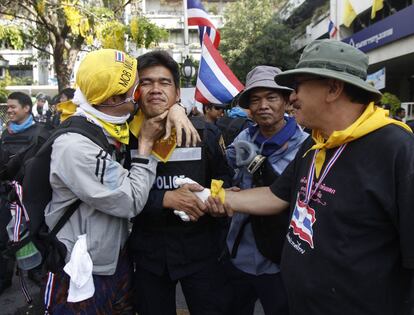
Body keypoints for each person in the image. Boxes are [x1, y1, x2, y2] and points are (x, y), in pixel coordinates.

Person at [203, 39, 414, 315]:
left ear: (333, 88)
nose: (292, 97)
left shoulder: (397, 149)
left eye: (299, 86)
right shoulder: (314, 144)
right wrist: (209, 196)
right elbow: (274, 196)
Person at [43, 48, 197, 314]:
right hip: (81, 271)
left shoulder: (107, 123)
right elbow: (130, 201)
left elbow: (163, 102)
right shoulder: (76, 147)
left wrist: (178, 110)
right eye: (135, 90)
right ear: (114, 98)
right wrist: (146, 145)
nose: (140, 96)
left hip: (114, 261)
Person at [128, 50, 234, 315]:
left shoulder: (205, 131)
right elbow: (114, 194)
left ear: (177, 93)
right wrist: (164, 199)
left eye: (164, 82)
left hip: (201, 252)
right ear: (136, 91)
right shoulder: (124, 136)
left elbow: (224, 178)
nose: (155, 89)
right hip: (148, 255)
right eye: (146, 82)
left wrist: (215, 200)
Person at [223, 65, 307, 315]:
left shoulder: (306, 147)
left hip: (280, 258)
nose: (263, 106)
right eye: (256, 99)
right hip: (238, 252)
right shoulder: (242, 141)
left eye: (271, 97)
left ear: (286, 102)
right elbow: (227, 174)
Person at [0, 92, 51, 294]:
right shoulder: (6, 133)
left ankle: (37, 275)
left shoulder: (41, 132)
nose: (9, 111)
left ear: (26, 108)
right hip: (6, 195)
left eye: (13, 107)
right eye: (8, 107)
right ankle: (4, 278)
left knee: (32, 235)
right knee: (4, 237)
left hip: (30, 197)